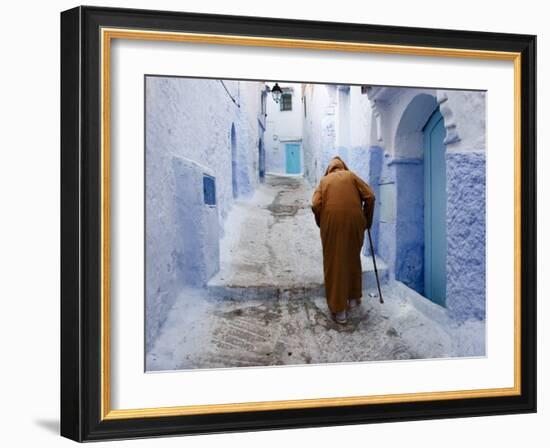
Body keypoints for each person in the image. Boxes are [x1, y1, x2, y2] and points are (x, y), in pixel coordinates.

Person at [311, 156, 375, 324]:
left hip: (332, 223)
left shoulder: (324, 181)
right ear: (343, 167)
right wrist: (366, 220)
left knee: (335, 262)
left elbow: (315, 204)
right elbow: (370, 196)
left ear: (330, 169)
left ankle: (340, 311)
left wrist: (322, 222)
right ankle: (353, 299)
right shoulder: (351, 176)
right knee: (353, 258)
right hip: (355, 223)